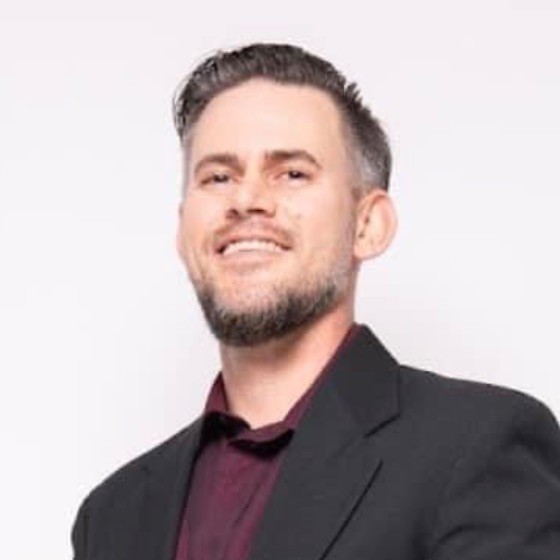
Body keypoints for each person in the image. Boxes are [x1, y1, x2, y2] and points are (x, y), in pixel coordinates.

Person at [71, 43, 560, 560]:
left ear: (367, 226)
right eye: (218, 177)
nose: (246, 200)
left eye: (292, 173)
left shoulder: (479, 446)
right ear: (183, 228)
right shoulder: (111, 515)